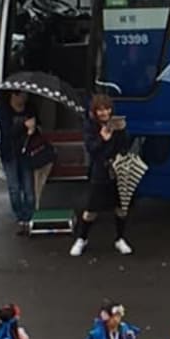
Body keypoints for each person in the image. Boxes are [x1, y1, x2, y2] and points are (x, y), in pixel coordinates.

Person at [70, 94, 133, 257]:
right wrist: (103, 138)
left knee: (122, 208)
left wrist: (123, 132)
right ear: (95, 112)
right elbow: (91, 149)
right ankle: (82, 239)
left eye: (107, 109)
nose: (104, 113)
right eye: (100, 110)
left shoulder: (116, 124)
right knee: (91, 210)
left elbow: (125, 147)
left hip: (118, 169)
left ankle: (120, 239)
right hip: (100, 170)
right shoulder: (90, 126)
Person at [0, 90, 39, 234]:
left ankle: (29, 218)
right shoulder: (4, 110)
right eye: (21, 95)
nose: (24, 98)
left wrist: (32, 129)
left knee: (29, 189)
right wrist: (24, 126)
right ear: (13, 96)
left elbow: (36, 129)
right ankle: (20, 218)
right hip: (10, 153)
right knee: (14, 189)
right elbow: (7, 132)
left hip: (26, 153)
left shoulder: (30, 108)